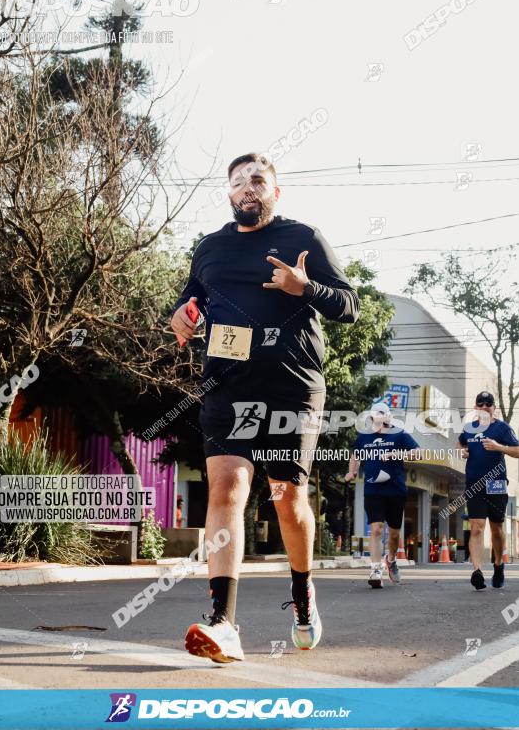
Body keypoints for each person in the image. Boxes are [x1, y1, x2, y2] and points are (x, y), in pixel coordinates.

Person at [170, 152, 360, 663]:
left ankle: (302, 594)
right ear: (229, 194)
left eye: (258, 180)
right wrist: (183, 316)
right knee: (227, 484)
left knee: (287, 499)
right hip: (228, 382)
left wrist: (307, 287)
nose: (248, 187)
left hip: (291, 386)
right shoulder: (209, 248)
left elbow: (349, 305)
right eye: (239, 181)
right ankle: (223, 621)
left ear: (276, 192)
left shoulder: (304, 238)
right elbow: (193, 299)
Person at [345, 401, 420, 588]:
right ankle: (376, 570)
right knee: (377, 529)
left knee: (394, 534)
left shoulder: (399, 434)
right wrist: (351, 471)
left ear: (387, 417)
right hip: (373, 490)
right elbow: (355, 456)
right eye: (373, 417)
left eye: (380, 416)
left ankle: (392, 560)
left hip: (396, 490)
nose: (376, 420)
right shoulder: (364, 437)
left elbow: (418, 453)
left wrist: (396, 454)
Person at [458, 391, 519, 590]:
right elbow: (460, 443)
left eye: (488, 405)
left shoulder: (502, 428)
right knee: (476, 527)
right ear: (476, 408)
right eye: (480, 405)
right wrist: (461, 451)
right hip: (474, 484)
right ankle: (477, 571)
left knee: (497, 529)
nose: (484, 408)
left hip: (496, 485)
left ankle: (498, 565)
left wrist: (499, 447)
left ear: (494, 408)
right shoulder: (469, 428)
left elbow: (518, 450)